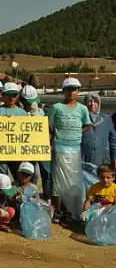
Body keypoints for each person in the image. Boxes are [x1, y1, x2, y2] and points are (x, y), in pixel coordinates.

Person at [47, 77, 92, 223]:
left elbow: (87, 125)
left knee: (73, 181)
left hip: (75, 149)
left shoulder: (82, 109)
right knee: (58, 181)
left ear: (78, 91)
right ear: (64, 91)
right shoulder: (56, 107)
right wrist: (56, 133)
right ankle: (58, 211)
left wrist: (77, 132)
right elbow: (47, 123)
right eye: (68, 90)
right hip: (59, 147)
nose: (71, 92)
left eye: (74, 89)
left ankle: (69, 211)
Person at [0, 82, 27, 179]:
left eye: (14, 95)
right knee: (2, 177)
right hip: (0, 152)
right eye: (8, 95)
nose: (11, 98)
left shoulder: (22, 113)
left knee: (19, 176)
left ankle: (19, 194)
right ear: (3, 95)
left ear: (17, 96)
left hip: (17, 151)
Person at [81, 93, 116, 168]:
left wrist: (114, 157)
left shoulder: (106, 119)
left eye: (95, 101)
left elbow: (112, 141)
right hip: (84, 160)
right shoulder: (80, 119)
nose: (92, 104)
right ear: (85, 104)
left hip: (102, 160)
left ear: (99, 104)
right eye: (89, 101)